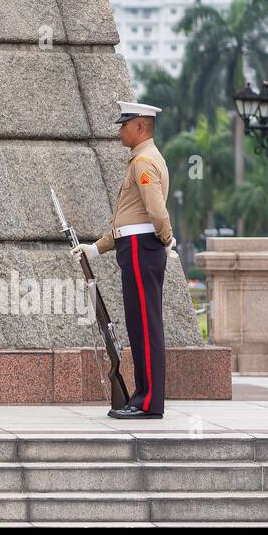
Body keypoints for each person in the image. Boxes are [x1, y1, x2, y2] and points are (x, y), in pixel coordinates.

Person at [74, 101, 174, 419]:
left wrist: (167, 237)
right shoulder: (139, 161)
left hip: (142, 249)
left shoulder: (143, 163)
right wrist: (97, 248)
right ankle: (144, 397)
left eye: (124, 124)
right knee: (140, 325)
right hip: (135, 247)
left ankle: (147, 402)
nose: (120, 130)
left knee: (145, 326)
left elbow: (156, 211)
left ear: (139, 127)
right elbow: (128, 220)